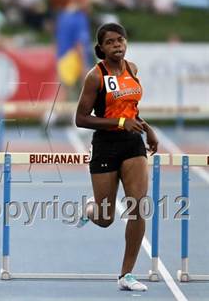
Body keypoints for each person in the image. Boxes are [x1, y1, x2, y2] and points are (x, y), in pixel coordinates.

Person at [75, 23, 159, 291]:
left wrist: (147, 129)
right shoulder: (95, 76)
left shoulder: (132, 69)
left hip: (133, 145)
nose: (117, 46)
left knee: (138, 206)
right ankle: (89, 208)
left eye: (120, 40)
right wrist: (120, 123)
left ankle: (127, 275)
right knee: (105, 217)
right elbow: (81, 118)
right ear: (101, 48)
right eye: (110, 42)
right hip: (105, 146)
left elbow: (131, 109)